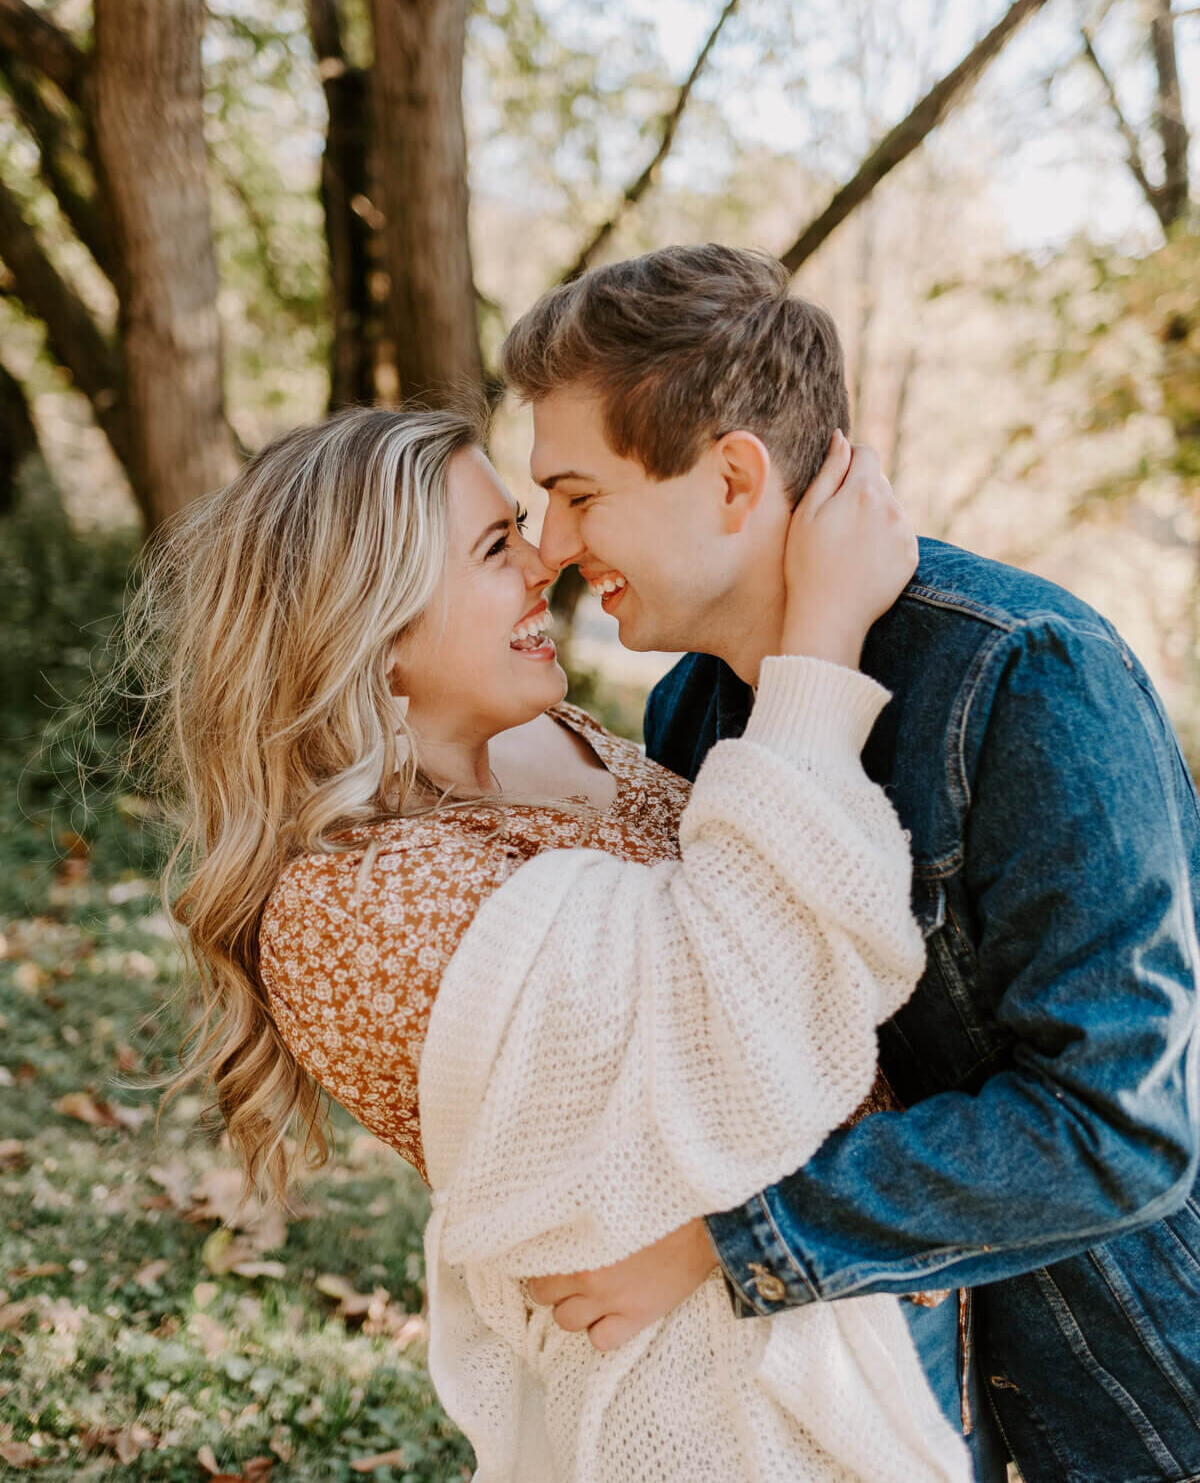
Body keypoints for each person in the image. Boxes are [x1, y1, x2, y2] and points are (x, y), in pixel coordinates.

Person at [135, 404, 971, 1482]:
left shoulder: (541, 736)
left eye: (527, 523)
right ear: (373, 635)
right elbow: (734, 1035)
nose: (548, 563)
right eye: (496, 548)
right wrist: (821, 645)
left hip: (879, 1297)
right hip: (724, 1413)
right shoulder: (354, 912)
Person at [500, 241, 1200, 1483]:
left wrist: (729, 1237)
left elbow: (1123, 1124)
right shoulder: (693, 713)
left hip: (1132, 1384)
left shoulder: (1026, 675)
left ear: (731, 477)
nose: (549, 541)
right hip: (892, 1391)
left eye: (579, 492)